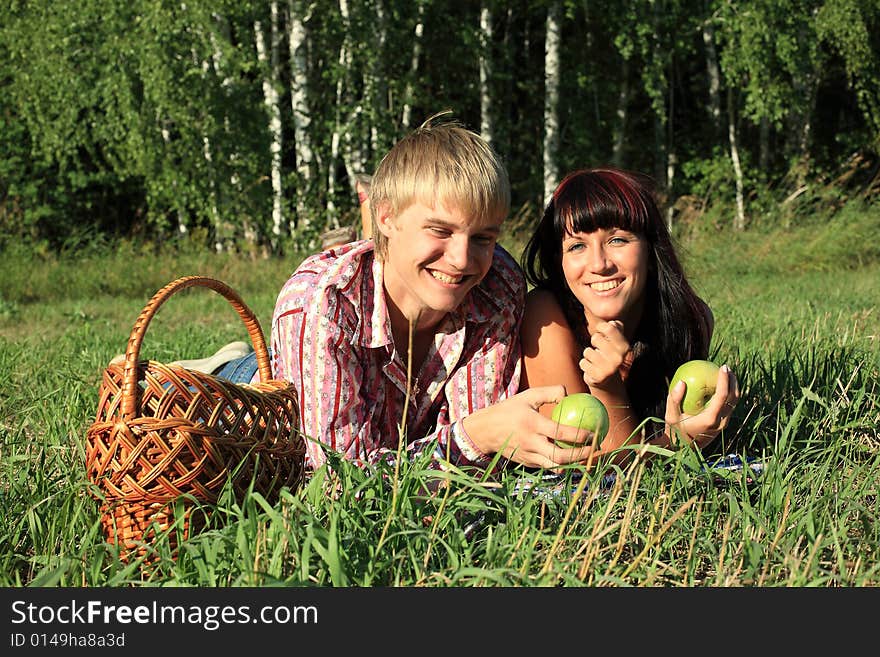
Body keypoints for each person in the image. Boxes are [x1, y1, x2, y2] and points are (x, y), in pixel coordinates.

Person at [257, 115, 594, 474]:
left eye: (483, 238)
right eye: (439, 230)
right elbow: (334, 482)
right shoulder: (324, 303)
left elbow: (477, 474)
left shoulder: (496, 285)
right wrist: (473, 438)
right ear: (386, 218)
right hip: (282, 372)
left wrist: (478, 441)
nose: (462, 260)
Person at [519, 167, 741, 465]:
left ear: (650, 249)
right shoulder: (546, 318)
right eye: (577, 246)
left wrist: (696, 431)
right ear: (559, 263)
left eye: (618, 240)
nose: (599, 264)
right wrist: (675, 444)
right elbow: (579, 461)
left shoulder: (689, 320)